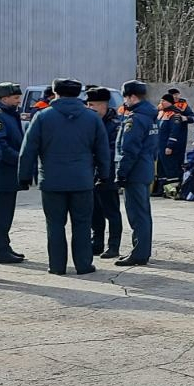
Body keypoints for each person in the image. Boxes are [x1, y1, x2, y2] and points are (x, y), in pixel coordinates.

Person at [20, 79, 111, 275]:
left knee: (54, 224)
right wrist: (104, 174)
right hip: (82, 180)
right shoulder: (92, 118)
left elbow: (28, 148)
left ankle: (57, 266)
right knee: (82, 223)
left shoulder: (43, 117)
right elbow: (102, 149)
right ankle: (83, 264)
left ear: (55, 92)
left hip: (52, 180)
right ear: (79, 94)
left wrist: (24, 176)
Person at [0, 83, 27, 264]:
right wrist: (22, 160)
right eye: (16, 98)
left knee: (6, 212)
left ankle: (4, 246)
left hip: (8, 172)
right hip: (1, 172)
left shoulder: (8, 114)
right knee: (1, 212)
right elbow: (0, 146)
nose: (19, 101)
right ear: (4, 98)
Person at [114, 81, 157, 267]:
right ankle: (141, 250)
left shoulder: (135, 119)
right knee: (143, 213)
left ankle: (139, 253)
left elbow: (129, 150)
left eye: (126, 97)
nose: (125, 101)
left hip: (135, 171)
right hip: (145, 168)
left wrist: (121, 173)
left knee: (137, 214)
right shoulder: (150, 116)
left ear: (132, 97)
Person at [87, 88, 124, 258]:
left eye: (92, 105)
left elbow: (112, 150)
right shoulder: (89, 122)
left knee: (111, 211)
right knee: (95, 211)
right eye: (88, 104)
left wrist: (95, 157)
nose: (89, 108)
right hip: (90, 175)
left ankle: (114, 245)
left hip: (108, 174)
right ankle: (97, 242)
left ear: (103, 105)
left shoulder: (115, 124)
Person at [154, 94, 188, 196]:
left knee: (170, 168)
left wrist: (170, 146)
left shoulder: (174, 114)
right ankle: (162, 189)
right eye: (161, 101)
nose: (161, 103)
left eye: (163, 101)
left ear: (169, 102)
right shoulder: (160, 113)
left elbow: (174, 132)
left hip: (167, 146)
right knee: (161, 168)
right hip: (159, 146)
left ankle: (172, 190)